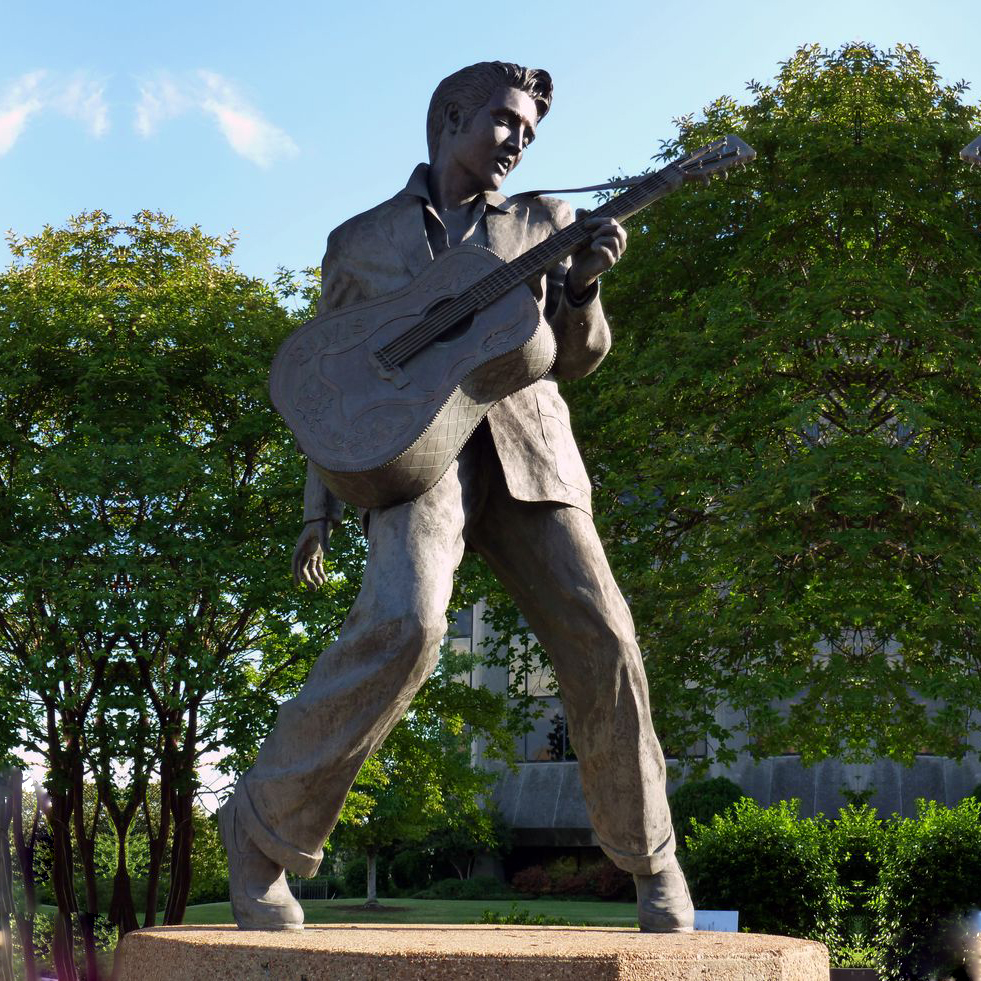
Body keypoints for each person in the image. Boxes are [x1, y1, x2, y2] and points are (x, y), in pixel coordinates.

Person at [218, 60, 694, 934]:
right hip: (412, 461)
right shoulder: (360, 241)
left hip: (531, 452)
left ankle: (650, 857)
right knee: (404, 625)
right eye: (505, 121)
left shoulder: (546, 220)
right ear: (450, 116)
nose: (518, 142)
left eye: (530, 133)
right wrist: (317, 507)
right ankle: (259, 832)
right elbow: (330, 385)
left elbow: (576, 357)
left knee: (606, 638)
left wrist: (582, 288)